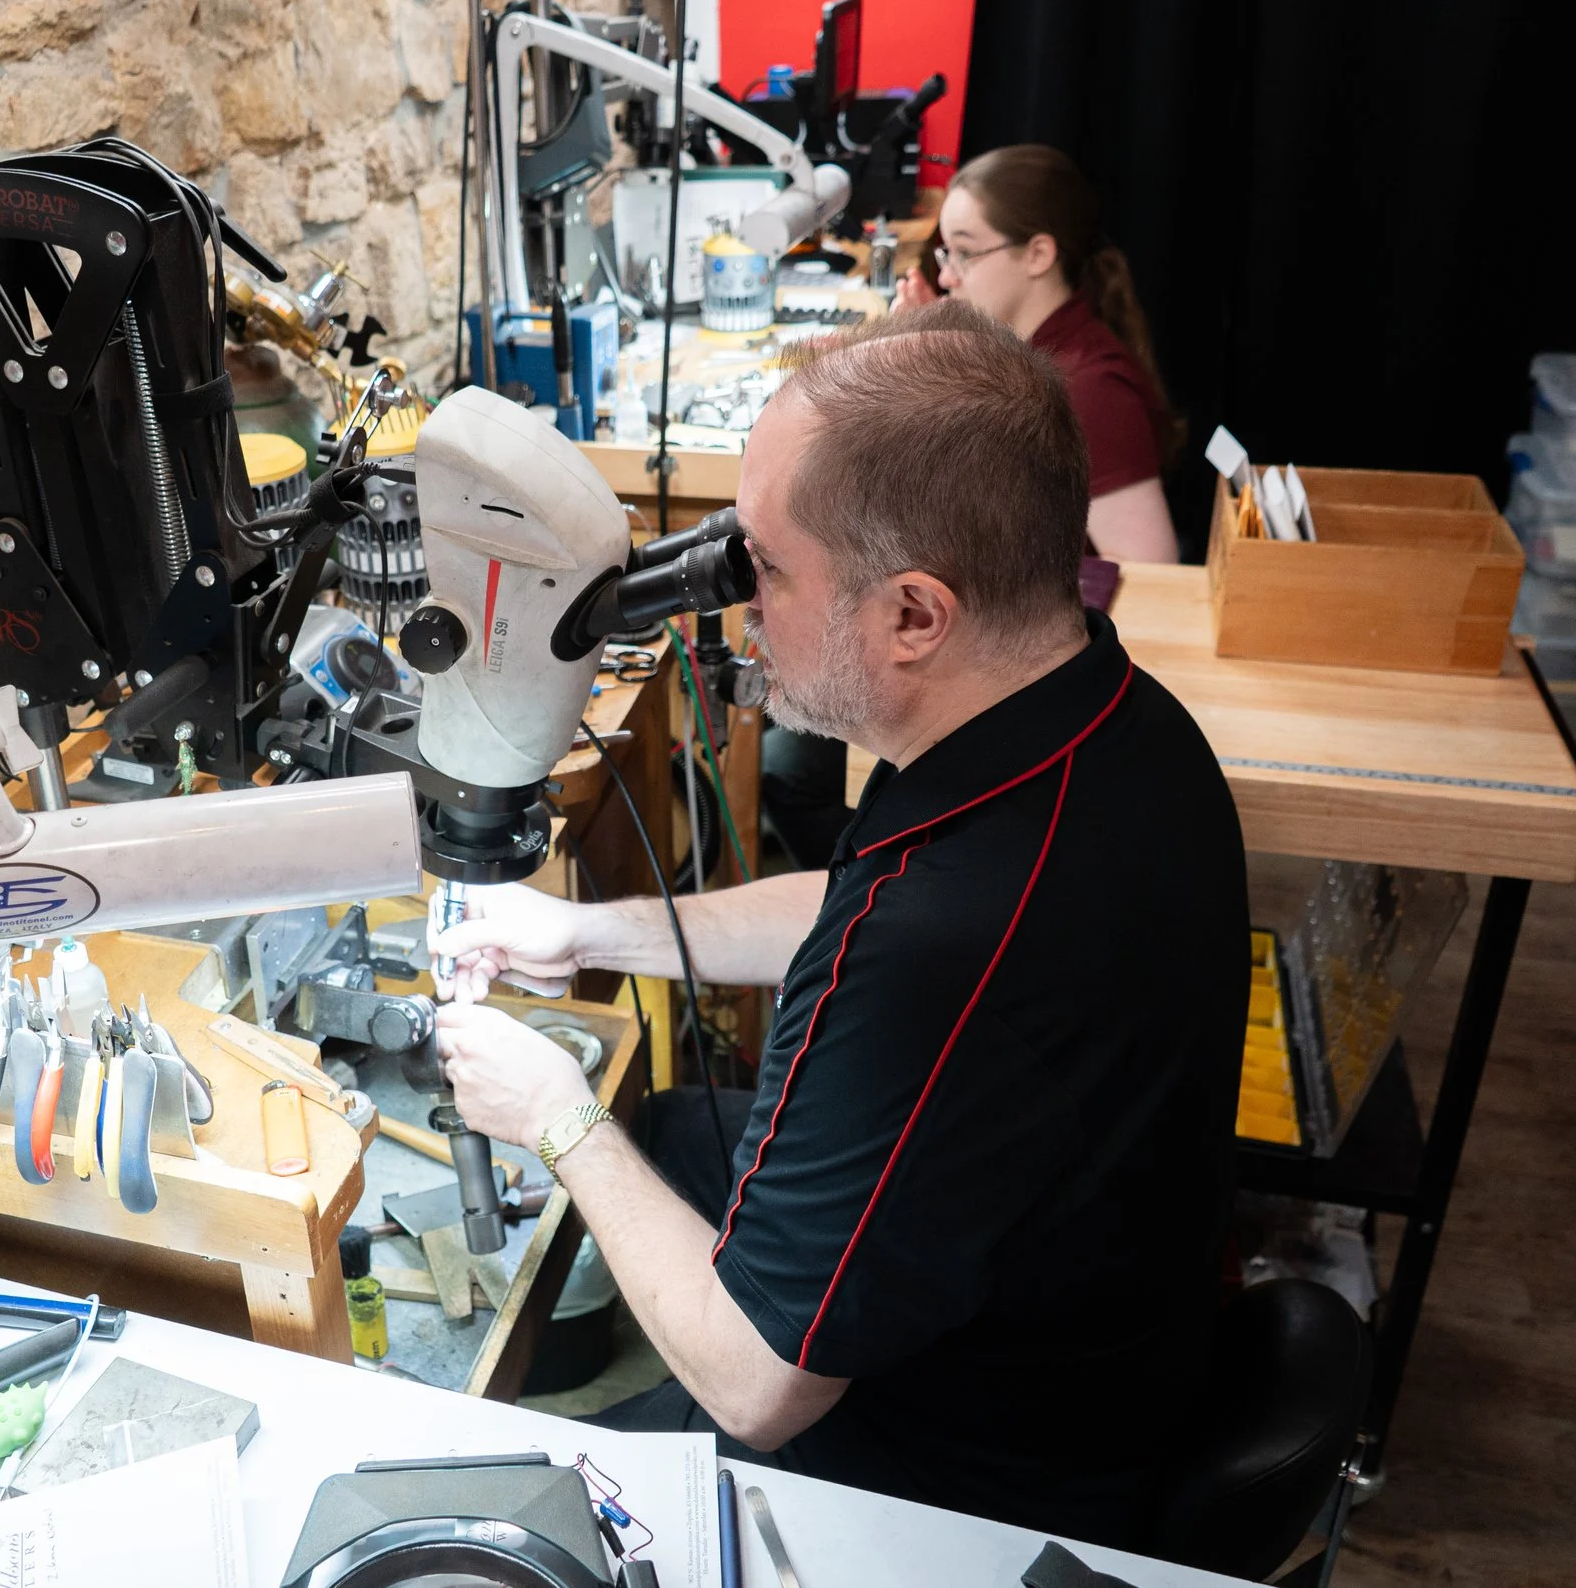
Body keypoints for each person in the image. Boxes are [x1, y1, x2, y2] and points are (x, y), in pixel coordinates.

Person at [428, 301, 1249, 1548]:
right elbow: (848, 902)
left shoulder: (935, 946)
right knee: (670, 1125)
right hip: (1104, 1312)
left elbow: (759, 1384)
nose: (730, 598)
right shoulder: (1113, 721)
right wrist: (595, 933)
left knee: (503, 1502)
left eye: (761, 563)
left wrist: (552, 1112)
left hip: (956, 1488)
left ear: (914, 614)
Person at [899, 144, 1181, 565]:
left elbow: (1150, 568)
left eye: (965, 253)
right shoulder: (1032, 353)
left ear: (1038, 255)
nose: (945, 276)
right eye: (946, 253)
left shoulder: (1092, 391)